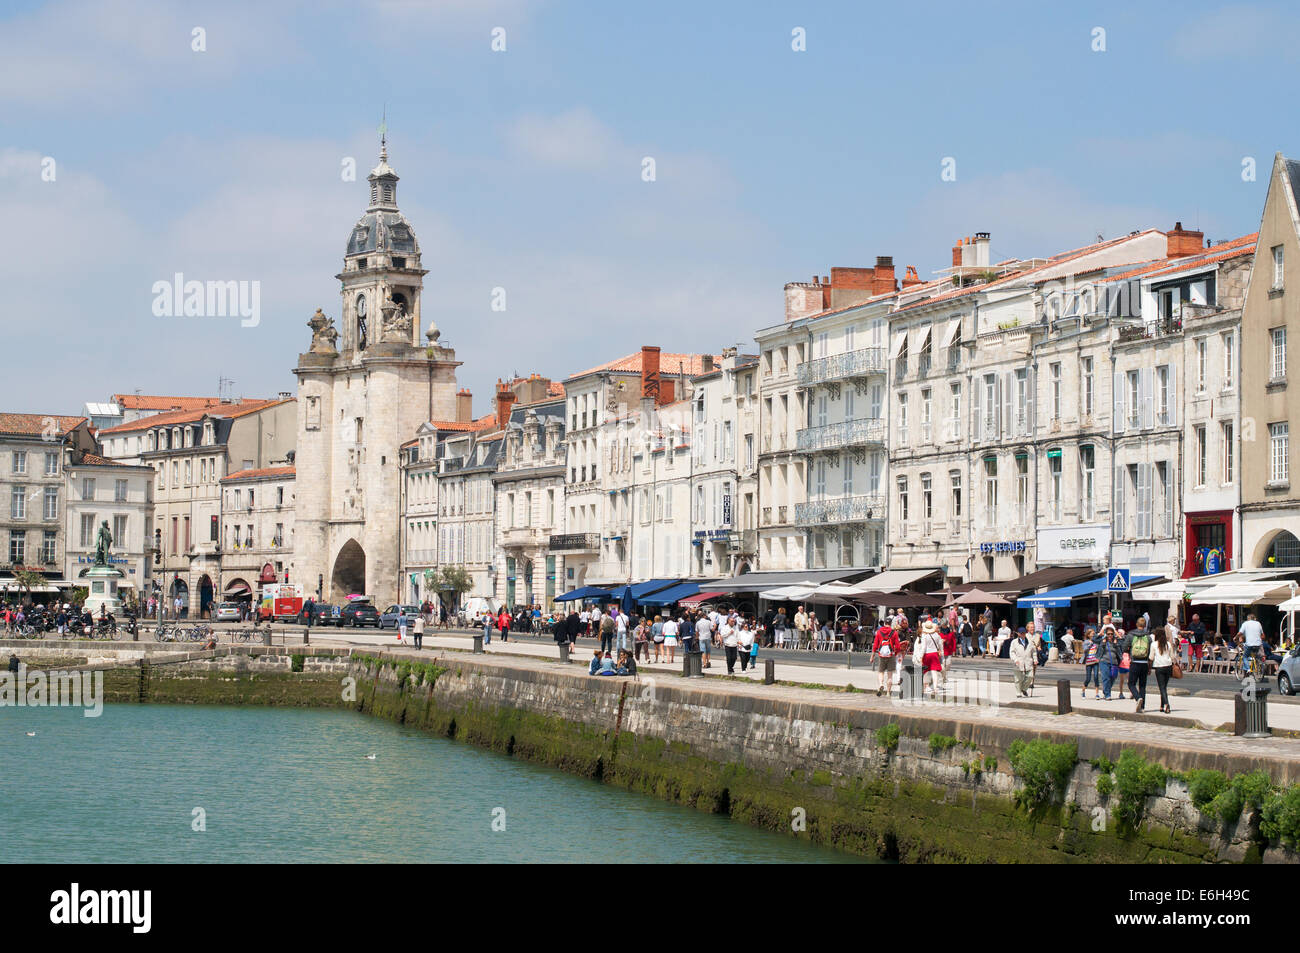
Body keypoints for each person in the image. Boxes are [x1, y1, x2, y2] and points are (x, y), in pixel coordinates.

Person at [1122, 618, 1152, 713]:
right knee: (1142, 685)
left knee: (1131, 683)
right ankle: (1142, 707)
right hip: (1144, 663)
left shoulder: (1131, 635)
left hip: (1135, 662)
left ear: (1136, 624)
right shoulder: (1148, 636)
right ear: (1145, 625)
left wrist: (1129, 651)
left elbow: (1124, 647)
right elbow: (1150, 650)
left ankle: (1138, 697)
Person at [1150, 622, 1175, 714]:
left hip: (1159, 667)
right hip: (1168, 666)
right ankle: (1161, 705)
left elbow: (1151, 658)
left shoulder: (1154, 644)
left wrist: (1149, 667)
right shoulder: (1168, 644)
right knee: (1164, 686)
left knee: (1162, 687)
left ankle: (1166, 704)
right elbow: (1172, 656)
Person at [871, 621, 899, 696]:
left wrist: (872, 656)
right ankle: (888, 693)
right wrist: (896, 654)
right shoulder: (894, 633)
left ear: (884, 623)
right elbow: (897, 646)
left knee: (881, 672)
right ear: (890, 623)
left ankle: (881, 685)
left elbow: (875, 645)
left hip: (881, 655)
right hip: (890, 655)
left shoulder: (879, 632)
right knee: (890, 675)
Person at [1009, 628, 1035, 697]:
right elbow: (1012, 652)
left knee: (1030, 676)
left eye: (1024, 633)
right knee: (1018, 679)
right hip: (1018, 662)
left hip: (1028, 661)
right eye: (1021, 633)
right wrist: (1015, 660)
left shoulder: (1030, 641)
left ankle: (1023, 688)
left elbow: (1034, 651)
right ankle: (1018, 692)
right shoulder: (1014, 642)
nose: (1023, 634)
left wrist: (1035, 659)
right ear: (1018, 634)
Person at [1081, 627, 1101, 698]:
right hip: (1088, 662)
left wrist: (1099, 658)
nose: (1093, 635)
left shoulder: (1096, 642)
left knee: (1096, 677)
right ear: (1088, 635)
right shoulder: (1086, 642)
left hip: (1095, 661)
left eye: (1094, 634)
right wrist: (1090, 644)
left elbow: (1100, 650)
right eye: (1092, 634)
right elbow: (1085, 650)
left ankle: (1097, 693)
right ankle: (1083, 690)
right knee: (1088, 678)